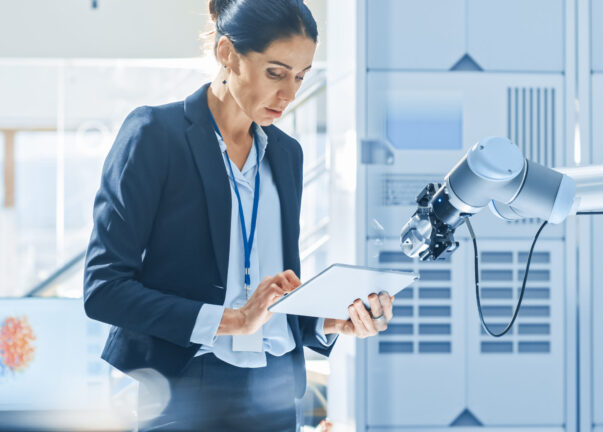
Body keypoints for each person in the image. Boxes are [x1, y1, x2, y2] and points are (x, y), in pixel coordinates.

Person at [83, 1, 394, 430]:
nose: (289, 94)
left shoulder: (287, 155)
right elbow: (104, 288)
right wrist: (234, 321)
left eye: (301, 76)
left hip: (278, 390)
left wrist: (327, 320)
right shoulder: (155, 135)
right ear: (227, 53)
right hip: (187, 387)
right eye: (276, 72)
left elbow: (273, 289)